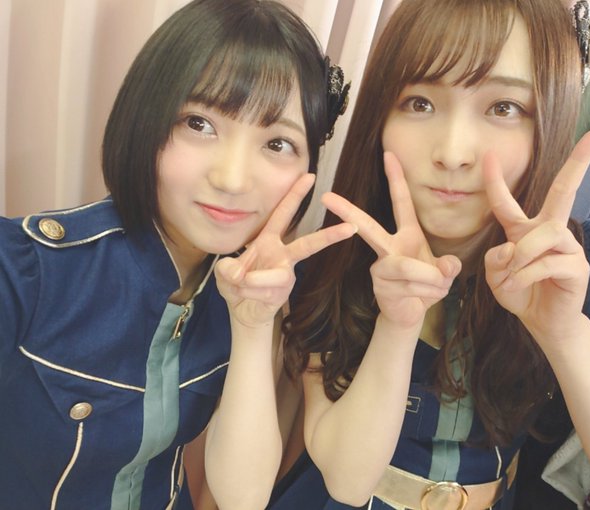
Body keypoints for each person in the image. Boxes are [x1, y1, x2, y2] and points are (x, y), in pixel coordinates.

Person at [280, 0, 590, 509]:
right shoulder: (339, 254)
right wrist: (396, 326)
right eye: (420, 103)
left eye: (503, 108)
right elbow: (344, 479)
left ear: (550, 117)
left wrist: (564, 333)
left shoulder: (589, 268)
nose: (452, 152)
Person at [0, 0, 354, 509]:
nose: (232, 178)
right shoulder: (26, 269)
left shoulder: (251, 287)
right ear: (146, 117)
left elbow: (242, 499)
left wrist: (254, 324)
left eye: (277, 144)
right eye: (199, 123)